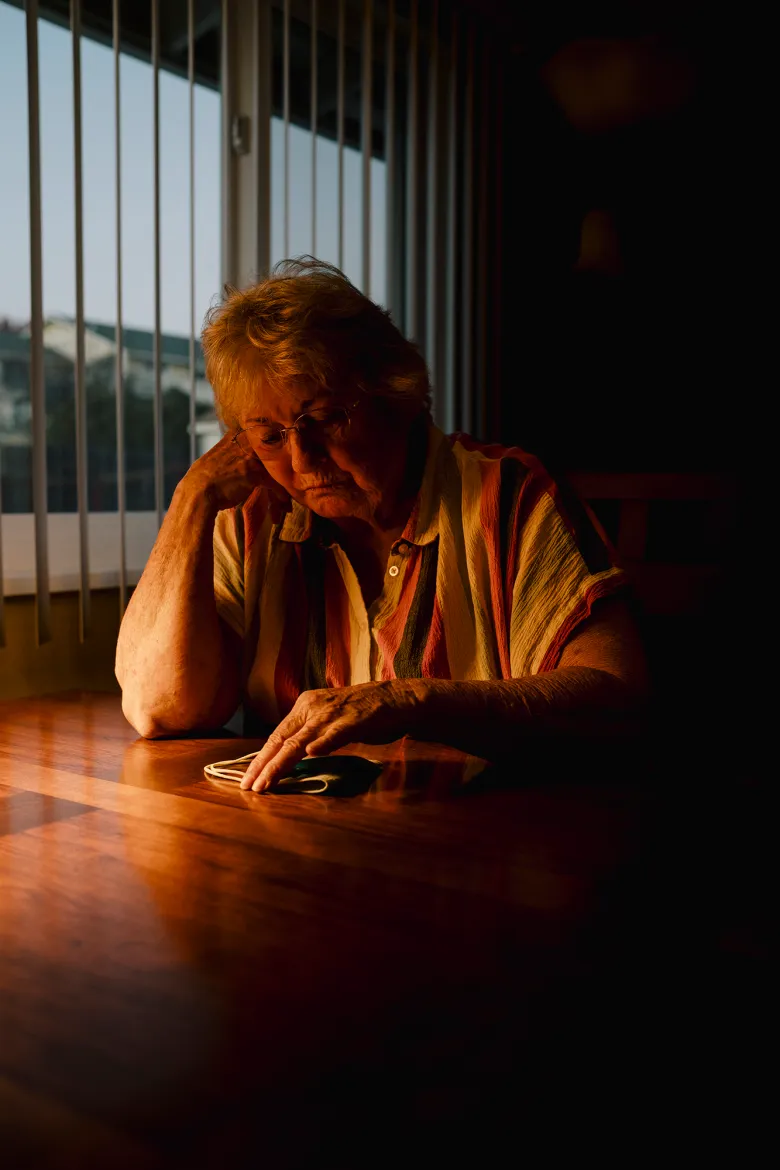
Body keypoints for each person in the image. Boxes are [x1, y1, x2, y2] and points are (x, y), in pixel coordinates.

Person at [115, 258, 648, 792]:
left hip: (489, 846)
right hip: (294, 850)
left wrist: (412, 700)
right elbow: (160, 708)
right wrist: (193, 496)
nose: (302, 460)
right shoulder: (255, 516)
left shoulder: (509, 498)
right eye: (270, 435)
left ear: (396, 394)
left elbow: (616, 694)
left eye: (323, 419)